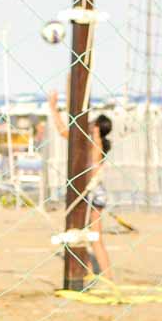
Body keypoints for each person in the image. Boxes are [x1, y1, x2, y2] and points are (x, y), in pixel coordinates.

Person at [47, 88, 114, 281]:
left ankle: (106, 277)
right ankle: (93, 273)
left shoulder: (94, 143)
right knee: (85, 236)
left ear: (96, 128)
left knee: (94, 237)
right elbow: (67, 131)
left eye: (92, 123)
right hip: (91, 191)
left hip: (92, 192)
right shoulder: (91, 142)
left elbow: (64, 131)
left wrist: (53, 108)